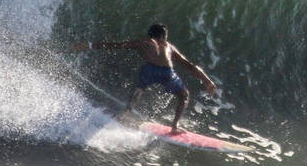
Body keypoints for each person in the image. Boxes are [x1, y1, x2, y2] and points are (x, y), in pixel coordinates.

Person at [71, 23, 217, 133]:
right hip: (167, 72)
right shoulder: (169, 47)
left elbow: (116, 45)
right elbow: (189, 65)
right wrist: (207, 81)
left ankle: (127, 112)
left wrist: (89, 45)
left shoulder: (143, 42)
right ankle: (175, 126)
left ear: (150, 35)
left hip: (149, 69)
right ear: (164, 36)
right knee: (184, 96)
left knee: (140, 89)